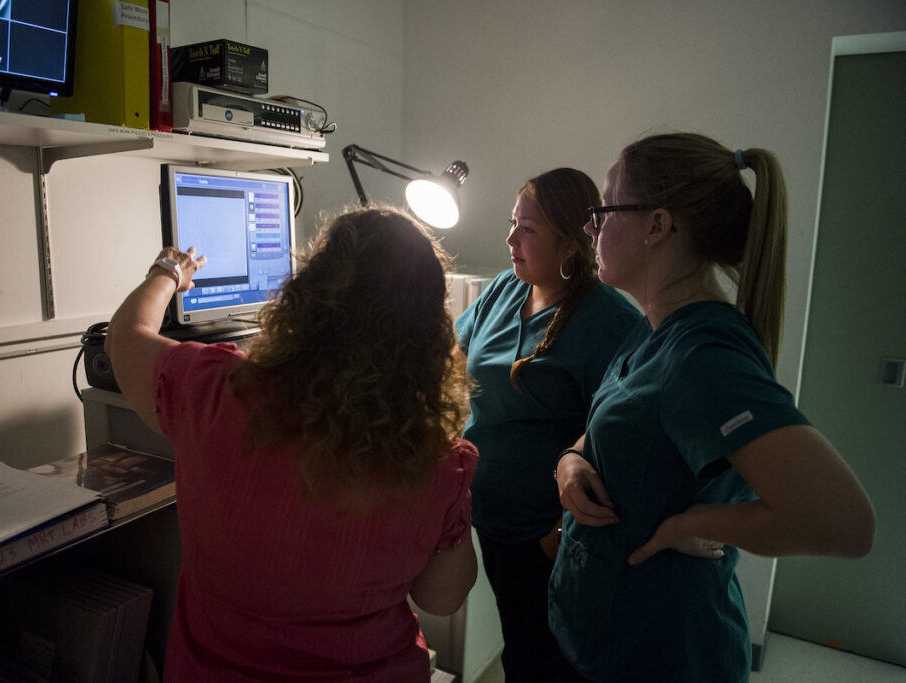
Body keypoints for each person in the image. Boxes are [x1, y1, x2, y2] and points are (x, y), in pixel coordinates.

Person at [550, 133, 875, 682]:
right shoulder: (652, 330)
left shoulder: (701, 356)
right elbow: (618, 426)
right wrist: (571, 461)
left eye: (602, 211)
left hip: (665, 652)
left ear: (657, 226)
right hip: (609, 634)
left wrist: (694, 524)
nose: (590, 228)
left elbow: (843, 523)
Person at [105, 206, 479, 681]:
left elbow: (124, 339)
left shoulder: (213, 390)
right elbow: (442, 599)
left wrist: (169, 272)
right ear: (428, 329)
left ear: (307, 296)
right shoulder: (437, 464)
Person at [454, 168, 641, 682]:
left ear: (569, 244)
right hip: (491, 517)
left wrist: (561, 531)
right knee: (521, 648)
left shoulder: (608, 322)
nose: (510, 239)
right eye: (512, 223)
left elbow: (619, 440)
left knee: (550, 663)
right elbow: (452, 354)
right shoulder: (503, 291)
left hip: (547, 535)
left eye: (528, 229)